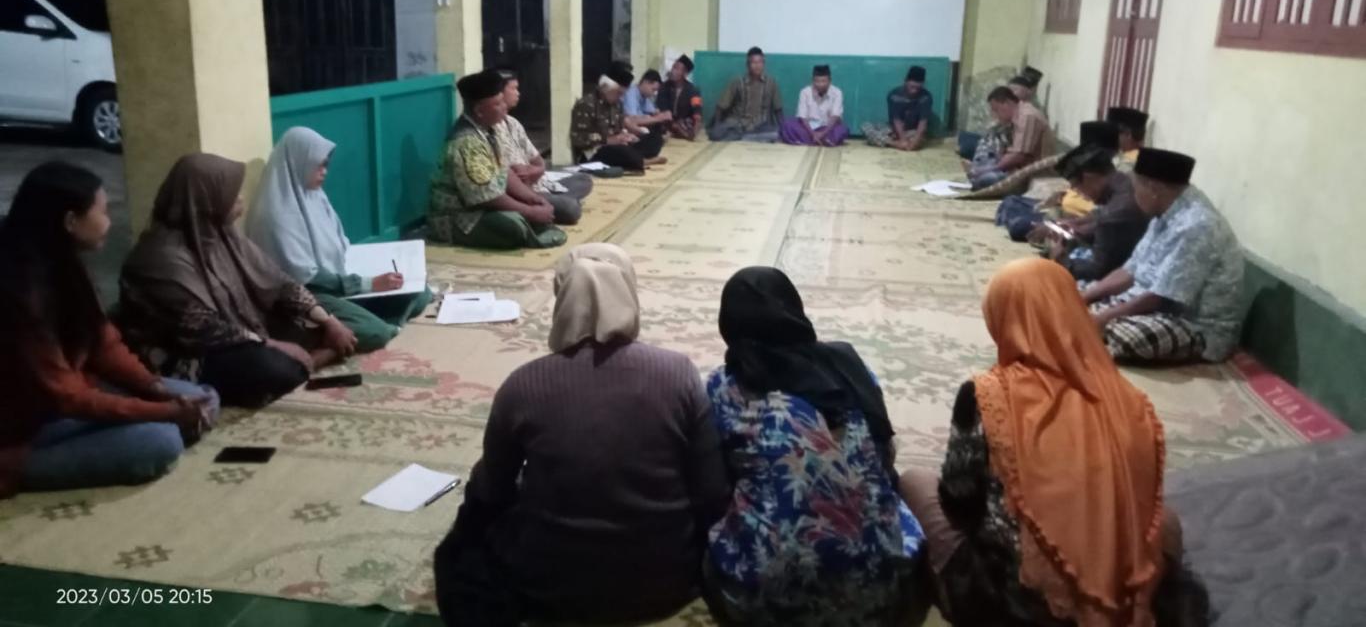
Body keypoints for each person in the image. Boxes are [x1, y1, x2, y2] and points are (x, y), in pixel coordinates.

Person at [899, 259, 1206, 627]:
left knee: (914, 482)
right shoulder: (1130, 400)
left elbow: (960, 501)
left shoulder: (985, 395)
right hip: (1120, 587)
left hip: (1013, 600)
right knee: (1166, 521)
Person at [434, 244, 729, 627]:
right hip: (668, 582)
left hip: (549, 587)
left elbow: (492, 492)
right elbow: (711, 491)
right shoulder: (679, 374)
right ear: (629, 292)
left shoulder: (522, 385)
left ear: (562, 297)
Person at [704, 267, 926, 626]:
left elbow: (714, 481)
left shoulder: (725, 388)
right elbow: (885, 458)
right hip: (883, 594)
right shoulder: (851, 368)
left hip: (766, 605)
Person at [0, 162, 219, 497]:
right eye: (102, 212)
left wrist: (155, 388)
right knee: (160, 440)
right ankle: (20, 469)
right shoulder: (18, 293)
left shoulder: (64, 265)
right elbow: (68, 397)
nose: (110, 221)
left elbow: (104, 344)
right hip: (26, 429)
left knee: (202, 396)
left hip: (68, 400)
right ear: (70, 222)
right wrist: (164, 411)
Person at [119, 154, 358, 408]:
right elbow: (202, 330)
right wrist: (273, 345)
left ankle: (306, 358)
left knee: (339, 326)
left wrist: (328, 322)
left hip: (246, 330)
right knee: (275, 369)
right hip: (191, 352)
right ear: (207, 200)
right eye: (233, 193)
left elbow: (281, 283)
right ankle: (309, 361)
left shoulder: (223, 235)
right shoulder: (159, 258)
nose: (241, 198)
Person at [246, 127, 433, 353]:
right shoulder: (276, 215)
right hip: (306, 297)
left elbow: (341, 248)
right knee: (376, 332)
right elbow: (305, 279)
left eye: (326, 165)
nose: (324, 172)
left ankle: (363, 319)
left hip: (337, 284)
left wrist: (371, 276)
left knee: (420, 292)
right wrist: (367, 284)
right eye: (319, 165)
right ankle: (324, 341)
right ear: (298, 162)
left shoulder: (314, 196)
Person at [1083, 149, 1245, 363]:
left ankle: (1102, 328)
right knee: (1074, 295)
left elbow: (1159, 297)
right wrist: (1084, 297)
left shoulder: (1197, 225)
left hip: (1194, 326)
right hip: (1153, 308)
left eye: (1135, 188)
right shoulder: (1163, 214)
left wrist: (1102, 319)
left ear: (1153, 189)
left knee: (1128, 337)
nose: (1133, 196)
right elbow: (1130, 270)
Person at [429, 69, 567, 250]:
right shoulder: (467, 143)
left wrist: (532, 198)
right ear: (479, 110)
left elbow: (505, 171)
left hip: (486, 202)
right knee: (514, 228)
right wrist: (531, 212)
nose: (504, 107)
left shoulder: (489, 130)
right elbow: (488, 197)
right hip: (461, 214)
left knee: (542, 210)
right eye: (498, 103)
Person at [492, 70, 593, 226]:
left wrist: (537, 170)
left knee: (584, 180)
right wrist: (527, 178)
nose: (518, 93)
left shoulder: (513, 123)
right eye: (514, 89)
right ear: (499, 93)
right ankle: (560, 203)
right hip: (523, 192)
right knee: (571, 209)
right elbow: (510, 175)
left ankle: (558, 201)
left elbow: (538, 160)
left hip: (541, 182)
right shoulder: (489, 129)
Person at [1047, 143, 1150, 282]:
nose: (1079, 193)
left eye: (1076, 186)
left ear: (1088, 178)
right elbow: (1101, 216)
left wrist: (1062, 260)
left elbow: (1097, 271)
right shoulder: (1126, 181)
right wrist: (1077, 224)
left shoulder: (1112, 216)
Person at [570, 62, 667, 172]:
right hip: (596, 151)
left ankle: (636, 158)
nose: (620, 97)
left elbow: (619, 128)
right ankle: (642, 160)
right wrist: (608, 140)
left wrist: (626, 136)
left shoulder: (616, 105)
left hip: (618, 146)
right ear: (606, 88)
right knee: (622, 152)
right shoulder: (587, 104)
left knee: (655, 139)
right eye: (619, 93)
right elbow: (577, 139)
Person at [965, 87, 1052, 190]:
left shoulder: (1027, 117)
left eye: (996, 110)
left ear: (1006, 103)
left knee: (984, 179)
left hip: (1031, 172)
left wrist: (989, 169)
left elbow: (1018, 156)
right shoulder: (1018, 116)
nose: (995, 115)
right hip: (1016, 167)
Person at [710, 46, 782, 143]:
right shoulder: (737, 81)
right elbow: (721, 107)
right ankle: (748, 137)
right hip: (737, 124)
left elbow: (778, 110)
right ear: (748, 64)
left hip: (761, 125)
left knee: (776, 133)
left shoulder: (771, 82)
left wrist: (784, 129)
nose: (757, 66)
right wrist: (717, 126)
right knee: (715, 134)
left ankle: (745, 137)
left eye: (760, 62)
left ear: (763, 64)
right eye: (754, 62)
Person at [866, 65, 936, 151]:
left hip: (912, 131)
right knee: (866, 127)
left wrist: (913, 144)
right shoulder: (894, 95)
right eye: (912, 87)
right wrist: (903, 140)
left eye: (917, 88)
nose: (914, 91)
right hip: (894, 130)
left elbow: (922, 124)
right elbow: (896, 120)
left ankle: (890, 142)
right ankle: (895, 144)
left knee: (921, 136)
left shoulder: (926, 97)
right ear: (906, 81)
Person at [779, 65, 847, 147]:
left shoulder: (837, 93)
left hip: (827, 128)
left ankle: (809, 140)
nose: (820, 84)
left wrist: (822, 133)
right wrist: (813, 134)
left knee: (842, 129)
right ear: (813, 81)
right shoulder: (805, 92)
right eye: (817, 81)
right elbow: (802, 117)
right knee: (787, 125)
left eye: (823, 81)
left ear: (830, 81)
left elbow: (835, 117)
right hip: (808, 129)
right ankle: (824, 141)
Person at [658, 54, 703, 141]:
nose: (672, 71)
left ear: (685, 73)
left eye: (676, 68)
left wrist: (697, 123)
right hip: (667, 120)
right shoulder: (664, 87)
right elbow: (662, 107)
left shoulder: (693, 90)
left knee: (690, 122)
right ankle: (675, 131)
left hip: (684, 121)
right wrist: (671, 122)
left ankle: (677, 131)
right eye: (673, 67)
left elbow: (697, 110)